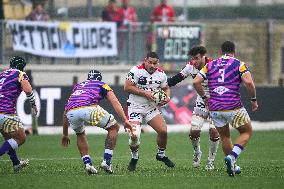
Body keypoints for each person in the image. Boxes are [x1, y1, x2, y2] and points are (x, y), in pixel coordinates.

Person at [193, 41, 258, 176]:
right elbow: (249, 82)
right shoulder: (239, 64)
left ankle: (232, 167)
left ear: (221, 51)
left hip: (215, 108)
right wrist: (253, 99)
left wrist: (205, 98)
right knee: (246, 131)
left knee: (225, 137)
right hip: (233, 106)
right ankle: (232, 157)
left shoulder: (210, 65)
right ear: (234, 51)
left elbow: (196, 81)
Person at [61, 70, 133, 174]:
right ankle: (107, 161)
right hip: (88, 108)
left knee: (80, 134)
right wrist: (125, 120)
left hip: (71, 112)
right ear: (99, 78)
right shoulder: (101, 84)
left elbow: (65, 111)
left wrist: (65, 134)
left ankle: (87, 164)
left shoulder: (78, 86)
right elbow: (114, 101)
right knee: (114, 128)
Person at [167, 46, 220, 170]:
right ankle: (197, 153)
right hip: (201, 101)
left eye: (196, 58)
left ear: (203, 57)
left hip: (216, 102)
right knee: (194, 131)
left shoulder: (214, 65)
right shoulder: (190, 66)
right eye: (192, 59)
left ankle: (210, 161)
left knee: (213, 131)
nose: (194, 62)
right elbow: (175, 79)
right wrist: (160, 84)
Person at [124, 52, 175, 171]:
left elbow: (166, 88)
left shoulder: (161, 74)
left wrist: (167, 98)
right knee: (135, 136)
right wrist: (145, 93)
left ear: (158, 63)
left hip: (151, 108)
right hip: (135, 107)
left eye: (155, 63)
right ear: (145, 60)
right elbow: (127, 87)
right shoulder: (136, 70)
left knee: (163, 131)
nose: (152, 65)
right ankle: (134, 157)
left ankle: (161, 155)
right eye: (150, 62)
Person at [0, 56, 38, 172]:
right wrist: (33, 104)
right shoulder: (20, 74)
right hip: (6, 112)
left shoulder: (2, 75)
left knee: (9, 139)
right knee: (21, 138)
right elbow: (28, 90)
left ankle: (16, 163)